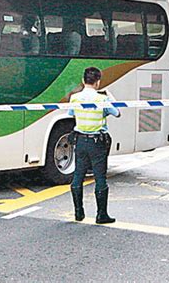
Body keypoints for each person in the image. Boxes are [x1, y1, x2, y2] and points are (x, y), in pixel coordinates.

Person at [69, 67, 121, 224]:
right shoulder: (102, 100)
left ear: (83, 80)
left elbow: (71, 114)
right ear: (98, 82)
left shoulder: (74, 98)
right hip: (97, 143)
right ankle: (101, 215)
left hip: (80, 141)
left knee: (78, 175)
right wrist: (109, 96)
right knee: (100, 177)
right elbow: (117, 112)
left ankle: (78, 212)